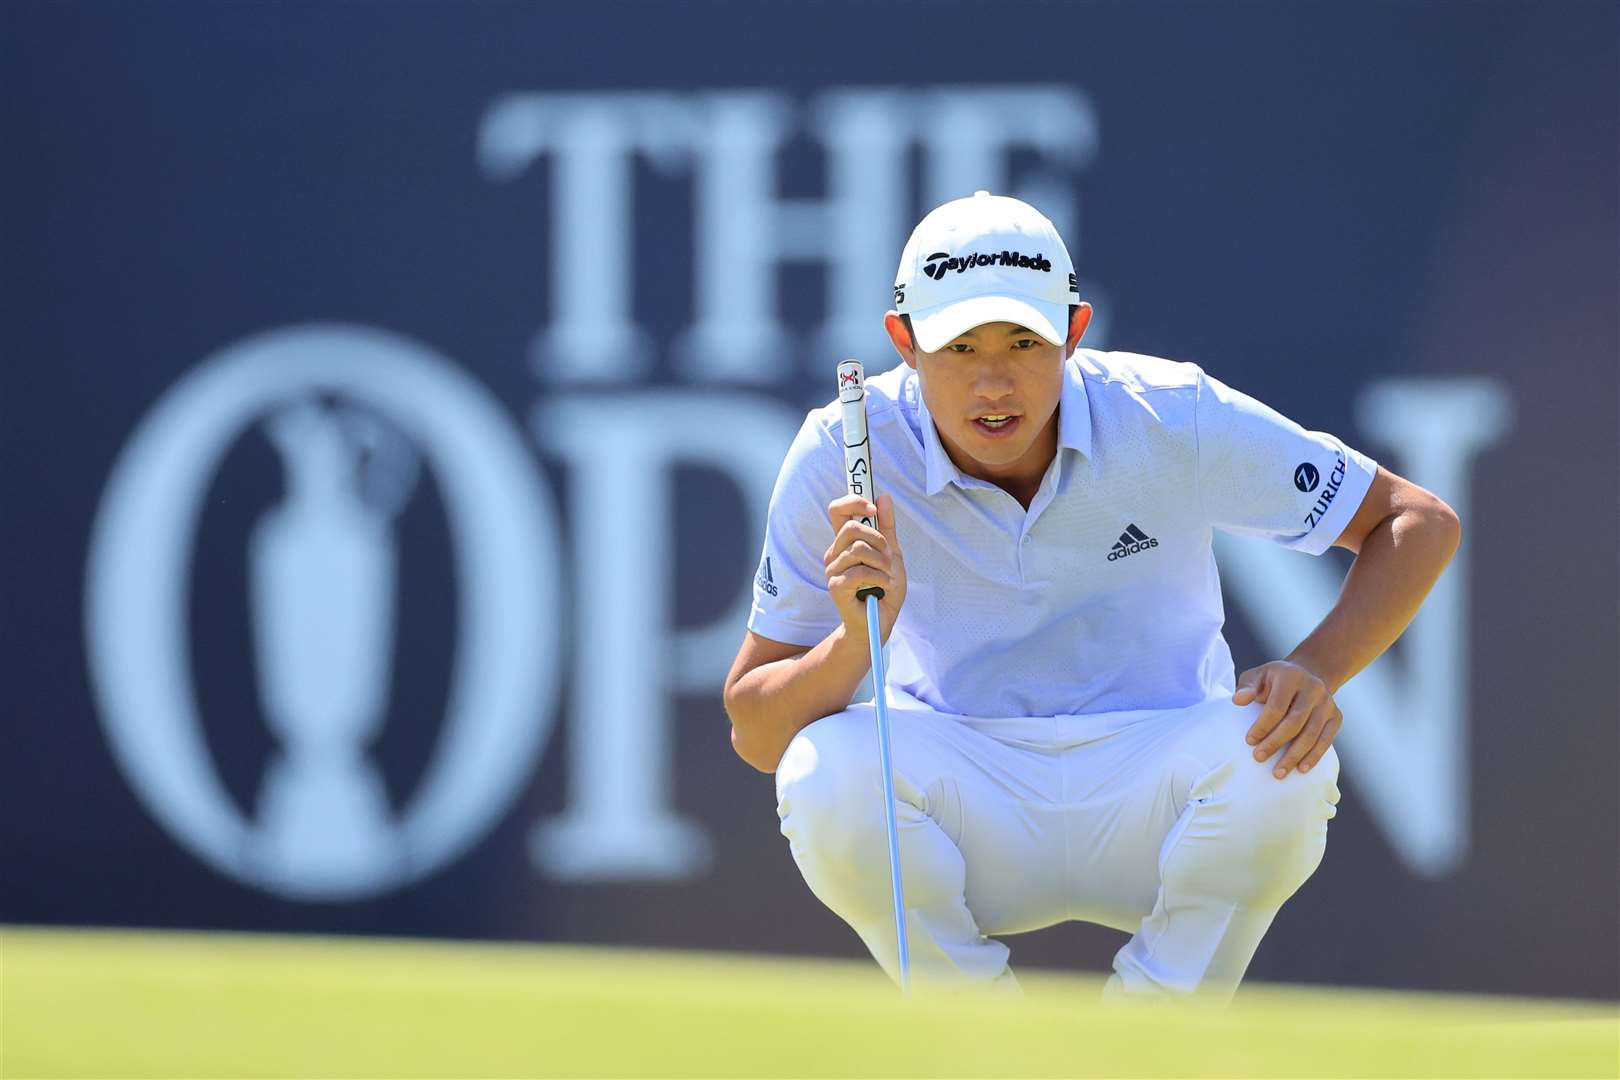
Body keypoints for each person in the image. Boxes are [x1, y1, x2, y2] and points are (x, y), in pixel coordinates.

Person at [722, 190, 1460, 999]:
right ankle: (980, 1048)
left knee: (1281, 762)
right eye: (960, 347)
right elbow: (759, 734)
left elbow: (1414, 521)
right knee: (824, 772)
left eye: (1024, 342)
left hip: (1163, 790)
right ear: (904, 342)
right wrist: (856, 642)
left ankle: (1146, 1049)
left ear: (1074, 332)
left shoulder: (1166, 411)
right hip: (964, 795)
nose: (995, 382)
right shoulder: (844, 447)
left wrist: (1316, 670)